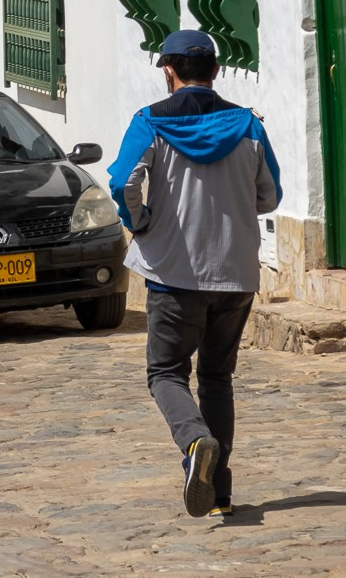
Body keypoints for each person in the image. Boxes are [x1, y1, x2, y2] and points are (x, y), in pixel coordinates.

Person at [108, 29, 282, 519]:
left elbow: (123, 182)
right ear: (217, 71)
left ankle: (193, 442)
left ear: (168, 70)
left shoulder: (150, 122)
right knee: (217, 377)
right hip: (236, 272)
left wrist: (139, 222)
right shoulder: (248, 125)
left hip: (173, 273)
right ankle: (221, 490)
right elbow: (270, 196)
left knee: (166, 372)